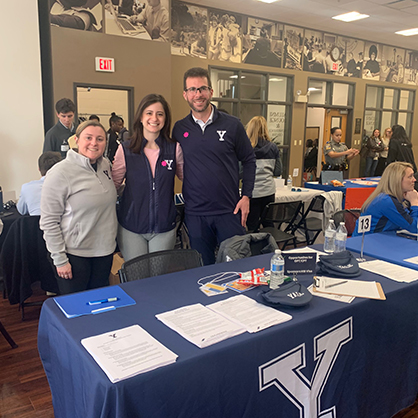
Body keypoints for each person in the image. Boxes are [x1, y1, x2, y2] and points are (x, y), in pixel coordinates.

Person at [172, 67, 256, 265]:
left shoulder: (232, 125)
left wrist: (247, 196)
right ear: (185, 95)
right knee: (203, 271)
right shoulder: (179, 128)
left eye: (202, 88)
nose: (198, 94)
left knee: (237, 267)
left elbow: (249, 159)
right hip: (196, 214)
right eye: (192, 89)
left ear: (211, 91)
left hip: (229, 210)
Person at [40, 120, 117, 295]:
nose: (94, 143)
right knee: (77, 312)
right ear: (76, 140)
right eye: (88, 138)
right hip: (74, 255)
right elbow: (49, 221)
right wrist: (59, 259)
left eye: (100, 139)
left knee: (99, 307)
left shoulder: (105, 165)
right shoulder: (60, 173)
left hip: (104, 252)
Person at [112, 94, 183, 262]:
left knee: (158, 281)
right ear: (141, 117)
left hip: (164, 228)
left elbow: (190, 180)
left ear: (165, 118)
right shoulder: (126, 149)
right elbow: (112, 185)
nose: (154, 118)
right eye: (149, 113)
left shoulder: (174, 149)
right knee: (137, 280)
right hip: (132, 228)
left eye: (160, 114)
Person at [353, 162, 418, 236]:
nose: (414, 179)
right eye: (410, 176)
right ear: (397, 180)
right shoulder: (386, 201)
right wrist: (415, 203)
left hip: (380, 239)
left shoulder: (395, 198)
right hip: (365, 243)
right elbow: (414, 227)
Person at [245, 116, 281, 232]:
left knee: (252, 226)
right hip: (269, 191)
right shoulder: (273, 147)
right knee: (268, 224)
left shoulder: (246, 149)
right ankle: (269, 247)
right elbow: (278, 171)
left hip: (252, 192)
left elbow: (240, 172)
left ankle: (255, 249)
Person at [17, 152, 62, 216]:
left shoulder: (26, 188)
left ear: (39, 169)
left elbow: (22, 211)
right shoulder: (68, 187)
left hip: (34, 225)